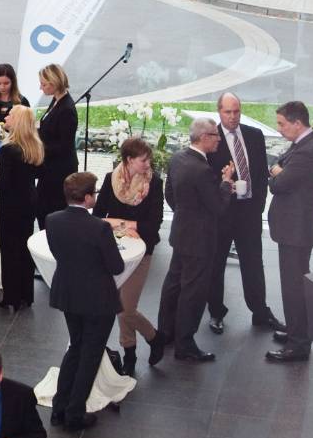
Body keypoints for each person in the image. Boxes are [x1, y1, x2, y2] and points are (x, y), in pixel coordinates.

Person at [44, 172, 124, 429]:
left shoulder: (52, 220)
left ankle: (59, 408)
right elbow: (116, 266)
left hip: (68, 293)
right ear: (88, 197)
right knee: (90, 355)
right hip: (97, 300)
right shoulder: (99, 228)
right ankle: (75, 414)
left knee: (75, 348)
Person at [154, 117, 234, 366]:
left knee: (173, 284)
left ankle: (165, 333)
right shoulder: (202, 170)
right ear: (203, 137)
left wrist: (185, 214)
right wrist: (226, 183)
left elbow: (169, 194)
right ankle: (185, 344)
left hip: (181, 233)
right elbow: (218, 207)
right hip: (200, 240)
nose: (219, 139)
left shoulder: (178, 159)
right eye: (215, 135)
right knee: (193, 292)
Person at [204, 92, 276, 335]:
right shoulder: (210, 139)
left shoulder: (255, 135)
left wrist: (259, 205)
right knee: (216, 264)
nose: (233, 117)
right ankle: (216, 312)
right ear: (219, 112)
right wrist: (223, 185)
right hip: (222, 213)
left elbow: (261, 174)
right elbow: (204, 179)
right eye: (227, 112)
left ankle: (259, 311)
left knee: (254, 262)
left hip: (249, 212)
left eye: (236, 111)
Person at [265, 100, 313, 365]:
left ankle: (299, 344)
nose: (279, 129)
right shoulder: (307, 142)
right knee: (294, 282)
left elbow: (279, 184)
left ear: (297, 123)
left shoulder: (308, 150)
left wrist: (278, 174)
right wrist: (279, 172)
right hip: (295, 226)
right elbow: (279, 167)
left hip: (296, 228)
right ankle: (296, 330)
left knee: (293, 286)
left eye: (281, 123)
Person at [94, 136, 165, 376]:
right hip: (113, 253)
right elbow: (97, 217)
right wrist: (129, 225)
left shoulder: (154, 184)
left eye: (149, 160)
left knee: (125, 308)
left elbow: (152, 226)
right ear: (129, 160)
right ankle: (132, 354)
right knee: (121, 307)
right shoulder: (110, 179)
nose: (148, 165)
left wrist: (116, 223)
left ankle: (153, 338)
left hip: (142, 253)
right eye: (144, 160)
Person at [0, 102, 43, 312]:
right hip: (29, 201)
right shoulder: (34, 146)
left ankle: (11, 296)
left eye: (10, 116)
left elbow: (4, 183)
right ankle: (26, 294)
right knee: (24, 248)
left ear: (18, 122)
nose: (6, 118)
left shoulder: (8, 149)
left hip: (10, 204)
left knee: (9, 250)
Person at [35, 66, 78, 227]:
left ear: (54, 83)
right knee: (42, 210)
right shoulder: (56, 100)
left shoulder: (67, 109)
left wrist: (38, 148)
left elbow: (64, 146)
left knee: (50, 212)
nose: (41, 87)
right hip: (50, 167)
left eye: (44, 84)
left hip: (59, 171)